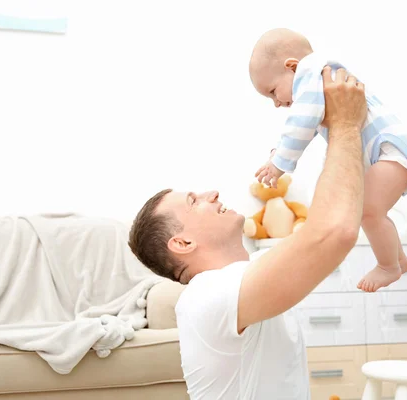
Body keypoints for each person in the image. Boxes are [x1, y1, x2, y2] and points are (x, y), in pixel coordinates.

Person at [128, 65, 367, 399]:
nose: (211, 193)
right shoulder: (206, 296)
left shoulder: (249, 271)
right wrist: (345, 124)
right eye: (194, 201)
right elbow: (333, 232)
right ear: (183, 242)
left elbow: (331, 225)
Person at [250, 28, 407, 293]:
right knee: (371, 211)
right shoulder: (320, 80)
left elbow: (302, 122)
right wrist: (279, 152)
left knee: (368, 211)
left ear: (292, 66)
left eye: (273, 91)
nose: (276, 103)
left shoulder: (311, 73)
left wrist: (279, 163)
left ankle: (389, 266)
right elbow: (305, 128)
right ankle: (397, 258)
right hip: (391, 152)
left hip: (393, 150)